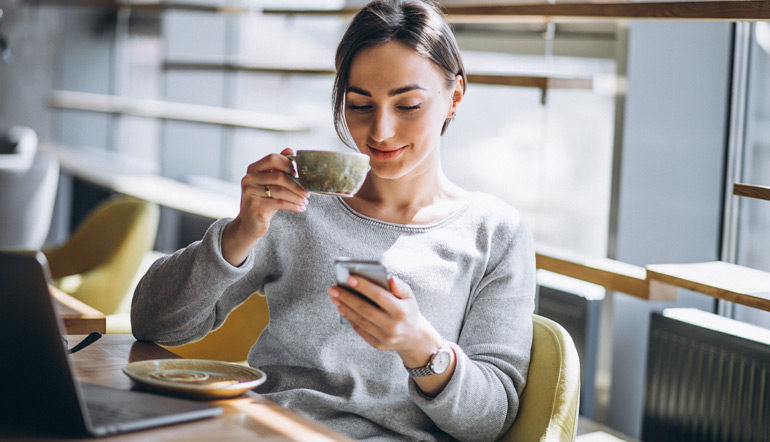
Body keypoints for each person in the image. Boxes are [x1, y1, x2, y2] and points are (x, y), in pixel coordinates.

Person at [131, 1, 535, 440]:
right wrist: (240, 232)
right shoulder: (301, 206)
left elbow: (491, 421)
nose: (380, 131)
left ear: (454, 96)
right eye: (360, 105)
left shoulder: (495, 233)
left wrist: (420, 346)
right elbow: (153, 323)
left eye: (409, 105)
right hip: (263, 430)